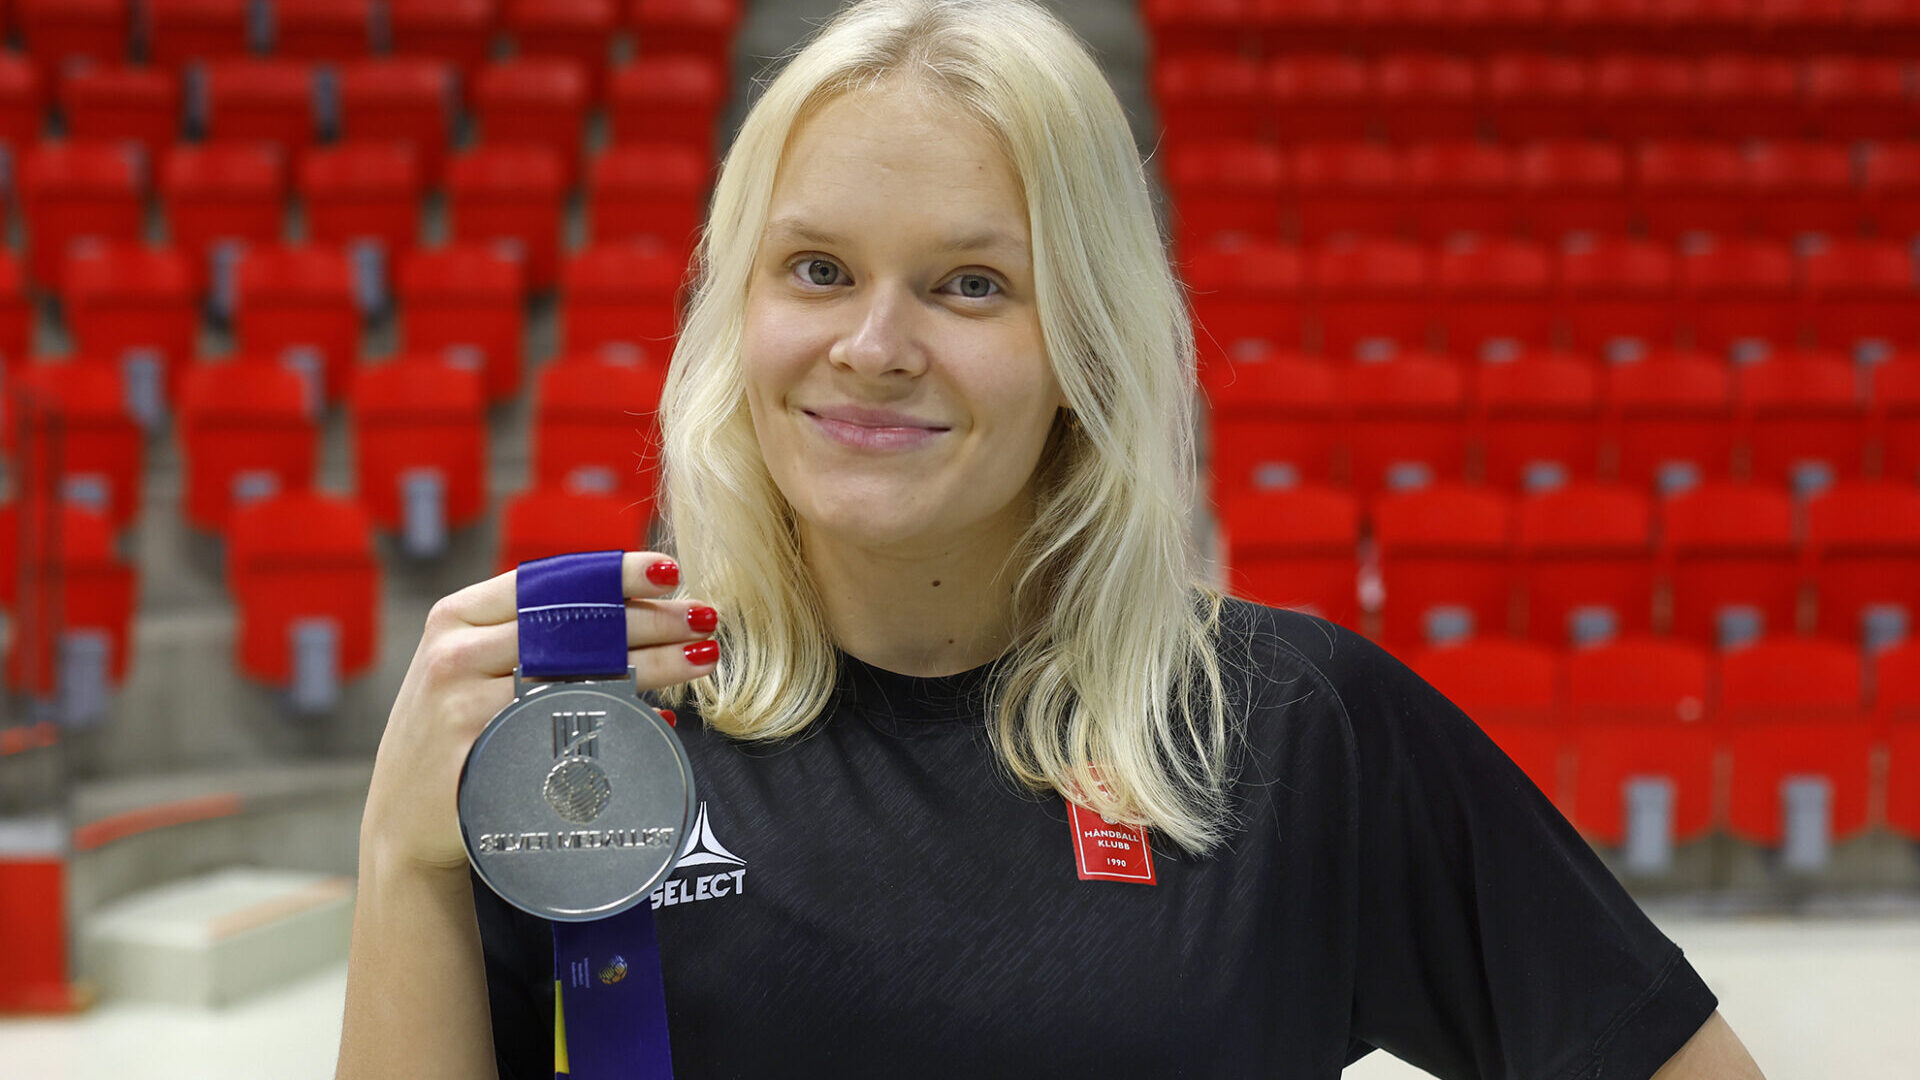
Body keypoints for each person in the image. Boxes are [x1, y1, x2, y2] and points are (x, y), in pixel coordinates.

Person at [337, 1, 1769, 1077]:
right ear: (740, 310)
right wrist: (404, 857)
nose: (874, 346)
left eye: (970, 284)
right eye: (817, 269)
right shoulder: (590, 748)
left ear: (1084, 343)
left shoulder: (1289, 727)